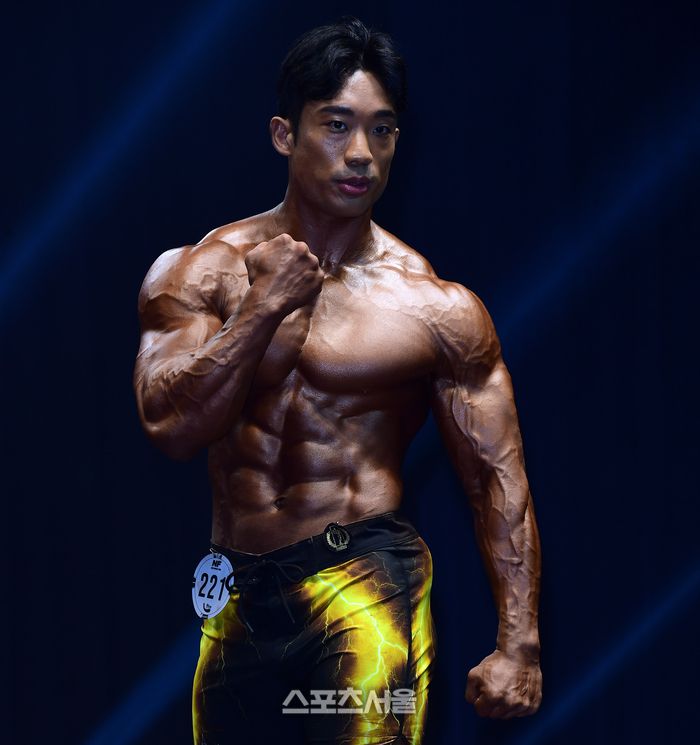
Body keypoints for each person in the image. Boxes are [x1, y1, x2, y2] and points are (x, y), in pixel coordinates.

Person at [134, 17, 542, 745]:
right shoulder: (200, 271)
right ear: (283, 134)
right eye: (336, 125)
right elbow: (172, 428)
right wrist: (263, 309)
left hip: (362, 581)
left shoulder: (433, 307)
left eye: (381, 131)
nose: (361, 153)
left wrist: (520, 643)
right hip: (236, 595)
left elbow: (494, 476)